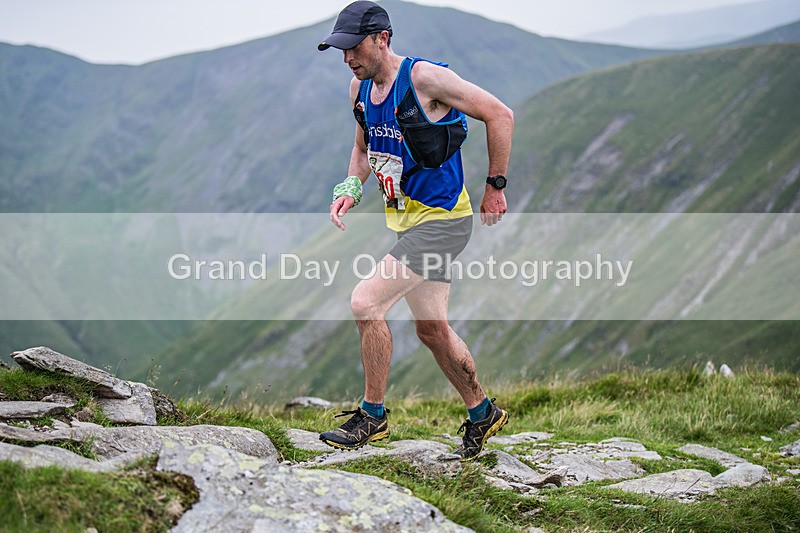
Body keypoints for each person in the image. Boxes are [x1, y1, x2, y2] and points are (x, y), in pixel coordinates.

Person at [317, 0, 514, 461]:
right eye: (341, 50)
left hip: (443, 221)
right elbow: (363, 148)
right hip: (407, 222)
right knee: (432, 330)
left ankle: (373, 415)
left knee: (366, 302)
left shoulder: (424, 78)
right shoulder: (359, 89)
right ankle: (482, 411)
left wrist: (495, 187)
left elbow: (500, 114)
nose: (347, 58)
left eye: (354, 47)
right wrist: (350, 187)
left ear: (382, 39)